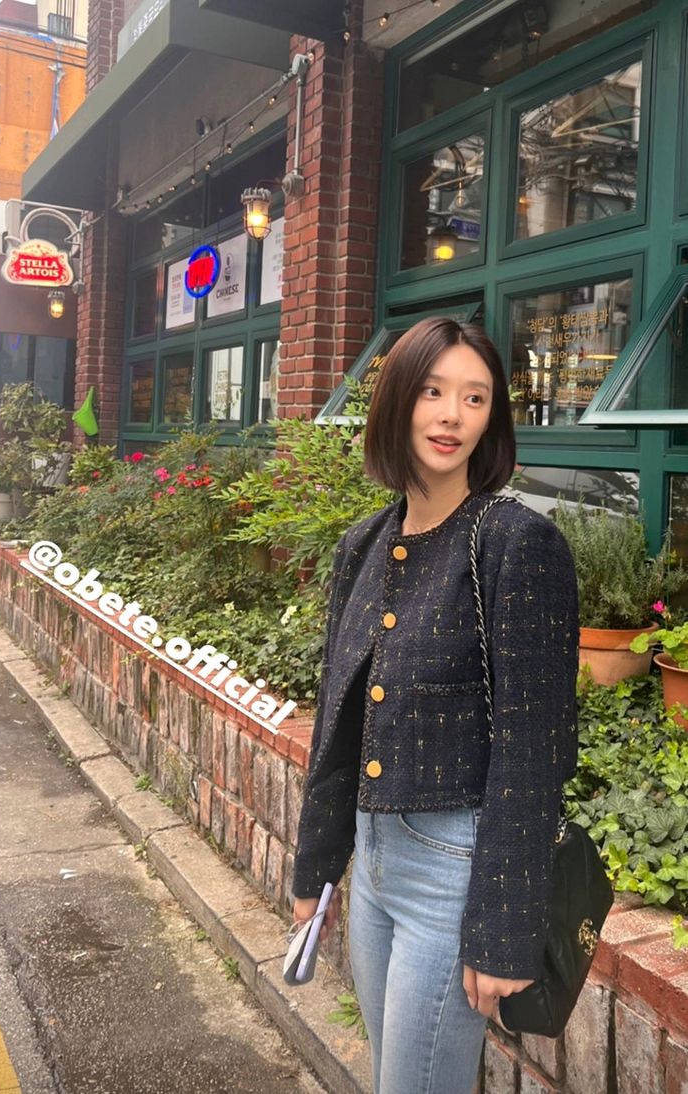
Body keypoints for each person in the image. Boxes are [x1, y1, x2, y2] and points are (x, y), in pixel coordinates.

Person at [291, 316, 579, 1094]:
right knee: (392, 1074)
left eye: (474, 398)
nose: (451, 415)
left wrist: (503, 929)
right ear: (396, 401)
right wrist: (316, 872)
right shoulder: (363, 543)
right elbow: (339, 717)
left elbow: (535, 748)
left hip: (452, 872)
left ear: (493, 419)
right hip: (374, 859)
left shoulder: (515, 544)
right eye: (432, 391)